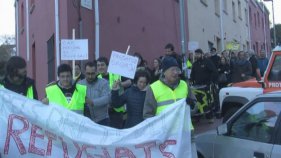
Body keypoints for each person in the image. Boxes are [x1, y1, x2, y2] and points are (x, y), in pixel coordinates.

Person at [143, 56, 197, 157]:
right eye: (173, 70)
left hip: (187, 135)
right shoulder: (153, 88)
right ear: (164, 72)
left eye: (177, 70)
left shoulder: (184, 85)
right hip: (166, 139)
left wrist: (192, 105)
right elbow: (147, 115)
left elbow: (195, 107)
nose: (176, 72)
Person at [97, 57, 131, 128]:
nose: (100, 67)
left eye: (102, 65)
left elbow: (129, 82)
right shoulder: (97, 78)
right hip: (103, 112)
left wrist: (121, 84)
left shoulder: (116, 74)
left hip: (117, 111)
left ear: (107, 66)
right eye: (98, 65)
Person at [78, 61, 111, 126]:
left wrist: (92, 102)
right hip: (86, 121)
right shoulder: (79, 84)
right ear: (84, 72)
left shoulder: (104, 83)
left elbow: (107, 98)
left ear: (96, 72)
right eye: (88, 74)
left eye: (92, 74)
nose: (90, 76)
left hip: (102, 120)